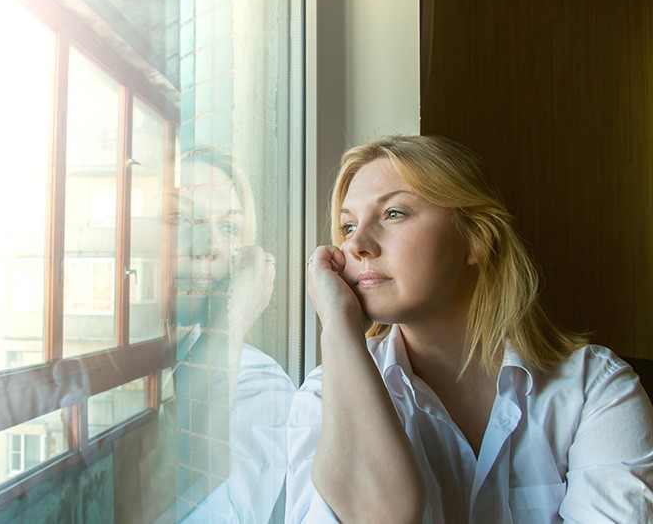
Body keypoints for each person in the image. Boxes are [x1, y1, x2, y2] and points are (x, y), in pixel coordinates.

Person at [287, 135, 653, 523]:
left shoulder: (594, 388)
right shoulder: (321, 400)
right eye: (347, 225)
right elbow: (379, 516)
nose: (357, 244)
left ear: (477, 239)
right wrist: (340, 331)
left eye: (393, 213)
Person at [164, 153, 295, 523]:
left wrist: (230, 320)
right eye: (179, 219)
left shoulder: (259, 385)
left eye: (230, 229)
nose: (210, 247)